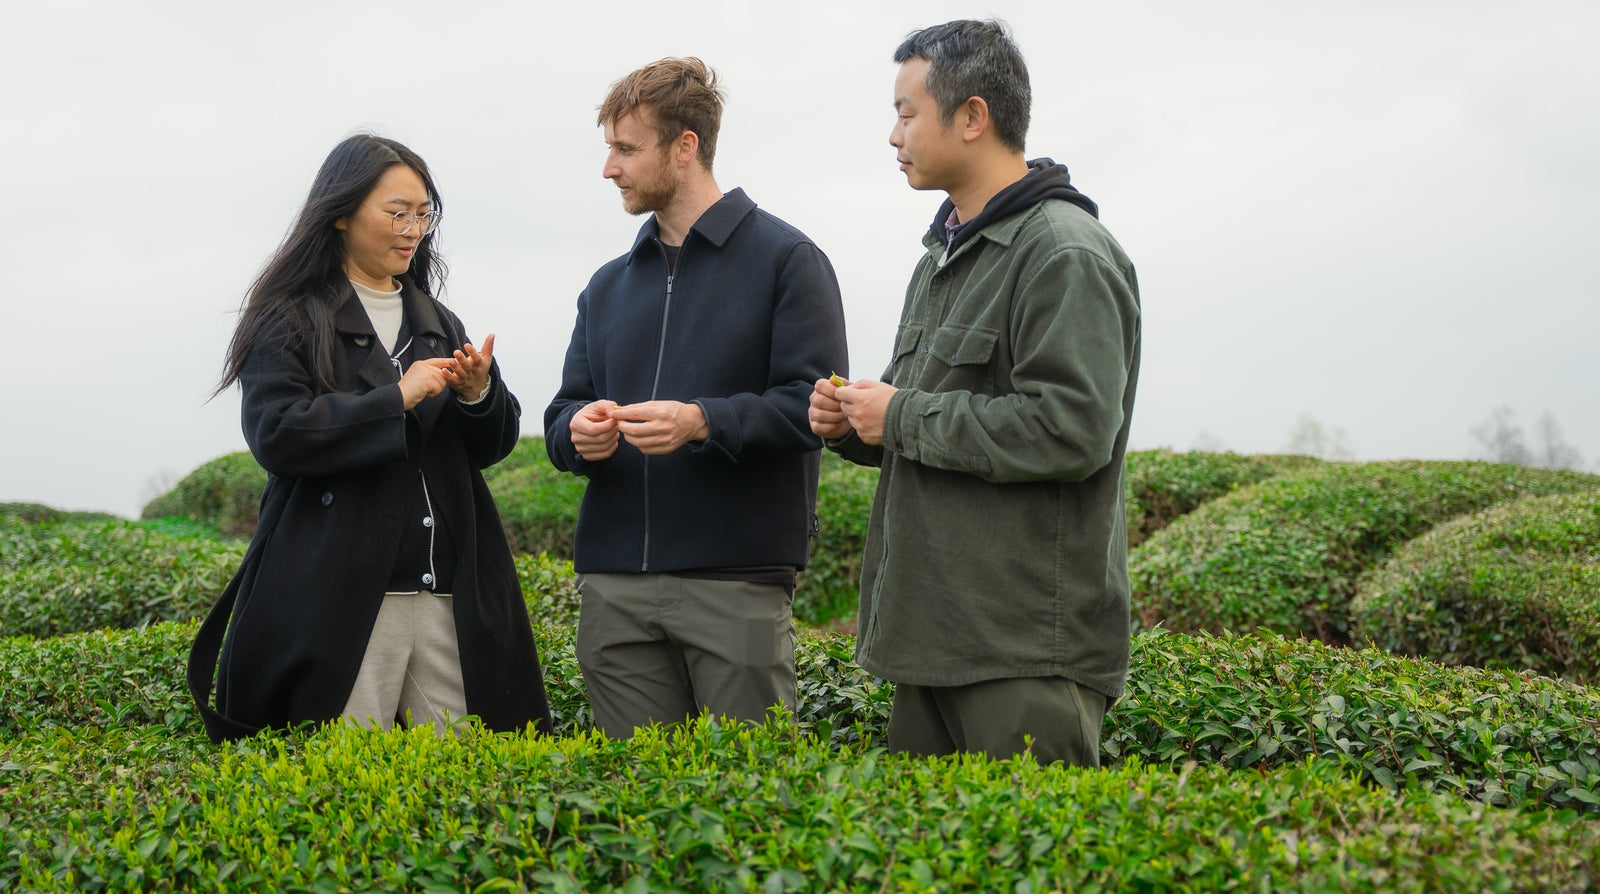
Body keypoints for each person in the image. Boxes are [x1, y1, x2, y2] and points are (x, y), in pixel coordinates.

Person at [810, 20, 1141, 766]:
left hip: (1023, 652)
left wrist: (900, 413)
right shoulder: (942, 257)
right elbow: (921, 425)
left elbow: (1071, 431)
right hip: (932, 641)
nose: (893, 135)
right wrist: (855, 421)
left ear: (972, 117)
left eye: (905, 112)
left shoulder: (1063, 252)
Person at [188, 134, 553, 742]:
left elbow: (489, 446)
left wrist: (477, 395)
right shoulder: (290, 316)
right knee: (339, 785)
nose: (413, 229)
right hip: (345, 601)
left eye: (423, 213)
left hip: (447, 593)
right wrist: (396, 398)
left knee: (478, 780)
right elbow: (277, 434)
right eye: (396, 213)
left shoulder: (438, 321)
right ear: (340, 211)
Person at [544, 58, 848, 739]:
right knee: (630, 813)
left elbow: (816, 407)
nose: (609, 168)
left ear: (685, 147)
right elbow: (562, 413)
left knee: (750, 810)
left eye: (625, 149)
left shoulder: (789, 260)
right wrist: (577, 433)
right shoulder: (605, 287)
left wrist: (704, 421)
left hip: (734, 584)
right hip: (614, 587)